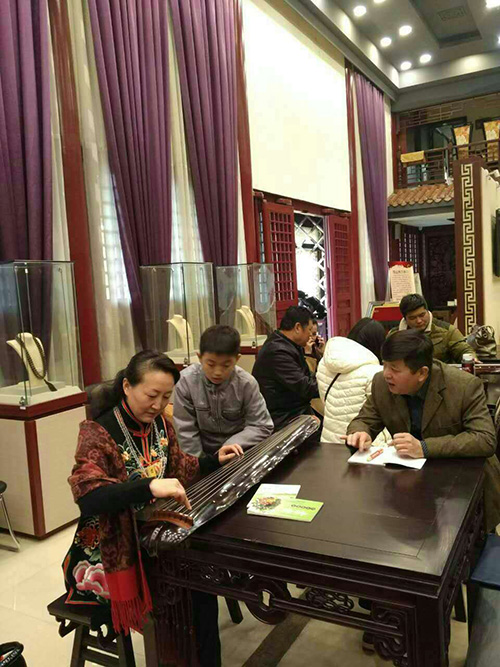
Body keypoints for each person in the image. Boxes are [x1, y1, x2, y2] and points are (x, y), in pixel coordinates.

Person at [63, 350, 243, 666]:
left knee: (201, 582)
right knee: (185, 587)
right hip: (112, 546)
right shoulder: (97, 431)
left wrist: (214, 460)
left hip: (152, 533)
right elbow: (87, 494)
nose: (158, 404)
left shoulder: (160, 424)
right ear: (127, 386)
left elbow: (181, 467)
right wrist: (147, 487)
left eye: (166, 396)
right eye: (151, 395)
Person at [345, 330, 500, 532]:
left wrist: (424, 447)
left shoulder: (464, 386)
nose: (386, 374)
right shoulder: (381, 384)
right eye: (384, 365)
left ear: (422, 373)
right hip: (413, 487)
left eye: (394, 369)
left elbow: (485, 439)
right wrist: (360, 432)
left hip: (464, 487)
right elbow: (365, 419)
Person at [174, 325, 273, 456]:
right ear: (199, 357)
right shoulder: (186, 381)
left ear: (237, 359)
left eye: (226, 365)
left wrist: (230, 445)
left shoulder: (246, 383)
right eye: (211, 364)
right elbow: (186, 431)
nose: (217, 372)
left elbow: (262, 426)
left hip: (238, 451)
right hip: (202, 455)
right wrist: (201, 463)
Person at [318, 318, 389, 444]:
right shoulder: (374, 372)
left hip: (330, 439)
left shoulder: (324, 363)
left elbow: (325, 400)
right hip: (362, 441)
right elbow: (379, 413)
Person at [252, 306, 321, 431]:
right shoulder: (278, 352)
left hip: (295, 410)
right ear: (298, 327)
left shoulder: (289, 345)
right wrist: (333, 385)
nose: (311, 335)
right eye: (310, 330)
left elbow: (308, 378)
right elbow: (306, 387)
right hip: (282, 417)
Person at [389, 293, 474, 363]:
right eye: (412, 318)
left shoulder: (447, 331)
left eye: (422, 315)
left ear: (427, 311)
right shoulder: (394, 336)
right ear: (405, 319)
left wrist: (472, 359)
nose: (419, 321)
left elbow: (465, 351)